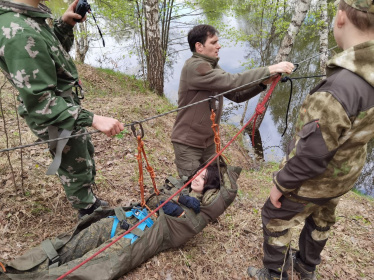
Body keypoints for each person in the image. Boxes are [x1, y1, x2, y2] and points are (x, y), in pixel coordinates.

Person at [247, 1, 374, 279]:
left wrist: (281, 184)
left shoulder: (341, 87)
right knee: (321, 218)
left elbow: (312, 154)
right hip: (343, 177)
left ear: (340, 17)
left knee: (274, 216)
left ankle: (274, 274)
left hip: (313, 180)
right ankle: (306, 268)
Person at [0, 162, 240, 279]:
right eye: (199, 172)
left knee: (84, 267)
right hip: (125, 220)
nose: (198, 177)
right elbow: (156, 200)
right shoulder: (180, 189)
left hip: (137, 237)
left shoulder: (202, 214)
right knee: (72, 243)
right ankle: (13, 268)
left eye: (205, 177)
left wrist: (175, 204)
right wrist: (177, 201)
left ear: (211, 185)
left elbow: (227, 192)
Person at [0, 0, 124, 217]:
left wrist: (64, 26)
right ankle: (88, 212)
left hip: (64, 106)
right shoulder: (17, 32)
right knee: (73, 162)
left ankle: (89, 201)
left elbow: (49, 55)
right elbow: (40, 102)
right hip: (54, 112)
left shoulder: (28, 17)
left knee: (80, 152)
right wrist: (93, 118)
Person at [171, 24, 295, 178]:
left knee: (217, 183)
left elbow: (236, 95)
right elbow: (232, 81)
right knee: (192, 191)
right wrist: (269, 69)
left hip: (208, 142)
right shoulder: (195, 67)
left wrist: (262, 83)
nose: (219, 46)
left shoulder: (211, 66)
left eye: (218, 42)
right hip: (188, 143)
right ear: (199, 46)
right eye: (213, 42)